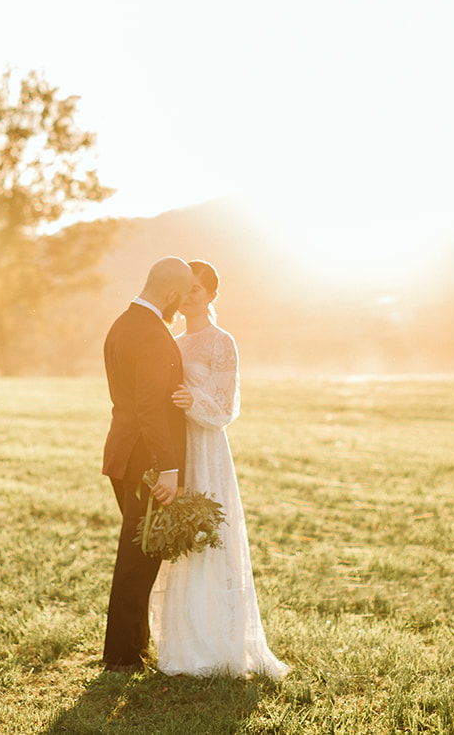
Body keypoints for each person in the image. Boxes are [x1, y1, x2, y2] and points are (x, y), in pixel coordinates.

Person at [149, 260, 289, 679]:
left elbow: (226, 408)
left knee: (210, 535)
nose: (189, 296)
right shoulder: (172, 341)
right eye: (184, 289)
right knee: (181, 537)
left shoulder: (221, 342)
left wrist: (192, 401)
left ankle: (220, 643)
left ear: (211, 295)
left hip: (207, 444)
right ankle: (185, 641)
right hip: (179, 448)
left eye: (197, 289)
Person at [100, 256, 199, 672]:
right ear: (173, 294)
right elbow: (151, 409)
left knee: (139, 551)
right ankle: (122, 657)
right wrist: (169, 468)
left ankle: (132, 648)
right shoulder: (154, 336)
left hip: (123, 452)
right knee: (140, 555)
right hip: (145, 460)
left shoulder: (123, 323)